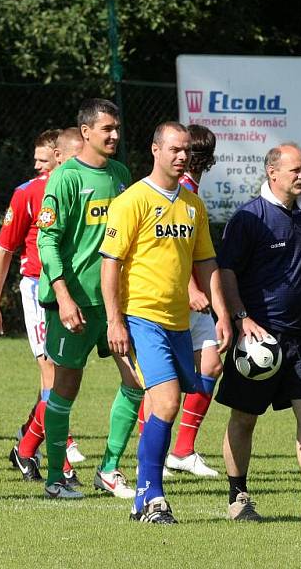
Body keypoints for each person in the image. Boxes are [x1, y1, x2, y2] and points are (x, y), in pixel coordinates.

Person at [215, 143, 301, 523]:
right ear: (272, 173)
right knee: (245, 417)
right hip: (258, 341)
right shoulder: (249, 218)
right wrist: (241, 318)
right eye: (295, 170)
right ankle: (238, 498)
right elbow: (226, 272)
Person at [100, 120, 231, 524]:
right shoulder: (132, 200)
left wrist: (222, 312)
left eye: (186, 151)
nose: (181, 156)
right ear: (155, 150)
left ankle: (143, 497)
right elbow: (111, 264)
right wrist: (114, 320)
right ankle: (153, 496)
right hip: (142, 316)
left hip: (178, 320)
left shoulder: (193, 205)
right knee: (168, 400)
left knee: (161, 405)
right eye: (173, 149)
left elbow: (206, 261)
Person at [36, 99, 143, 500]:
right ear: (85, 132)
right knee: (66, 387)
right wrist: (63, 297)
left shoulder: (120, 175)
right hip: (74, 303)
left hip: (115, 303)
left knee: (137, 381)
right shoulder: (64, 179)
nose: (114, 135)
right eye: (106, 129)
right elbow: (47, 241)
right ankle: (54, 478)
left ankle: (110, 469)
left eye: (116, 128)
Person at [0, 128, 86, 482]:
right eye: (75, 155)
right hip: (38, 291)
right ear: (57, 156)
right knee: (53, 374)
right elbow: (4, 250)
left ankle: (26, 447)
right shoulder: (29, 193)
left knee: (67, 378)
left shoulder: (92, 187)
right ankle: (61, 465)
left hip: (78, 293)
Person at [162, 124, 224, 477]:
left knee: (211, 365)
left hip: (194, 298)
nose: (192, 160)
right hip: (174, 297)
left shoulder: (191, 189)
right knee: (161, 379)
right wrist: (191, 289)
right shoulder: (179, 188)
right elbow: (171, 248)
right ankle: (151, 451)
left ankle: (183, 450)